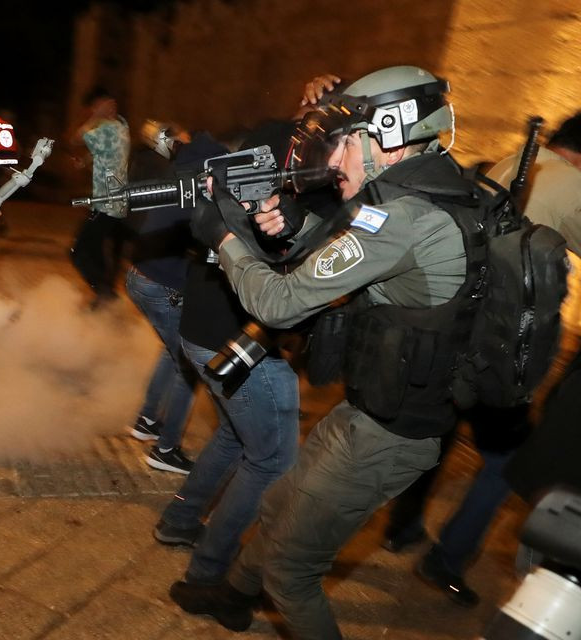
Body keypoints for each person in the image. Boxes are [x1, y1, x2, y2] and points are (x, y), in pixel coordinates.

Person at [175, 65, 471, 638]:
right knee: (280, 503)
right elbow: (364, 254)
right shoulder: (427, 189)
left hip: (394, 432)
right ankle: (235, 597)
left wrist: (224, 237)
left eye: (345, 145)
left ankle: (249, 592)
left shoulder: (407, 215)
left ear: (390, 131)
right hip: (372, 406)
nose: (333, 161)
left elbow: (282, 304)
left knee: (291, 569)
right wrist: (297, 226)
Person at [398, 112, 581, 605]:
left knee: (435, 429)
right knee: (508, 459)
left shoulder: (507, 163)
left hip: (457, 324)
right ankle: (448, 558)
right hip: (500, 345)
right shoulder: (571, 184)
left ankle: (401, 525)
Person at [153, 122, 310, 590]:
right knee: (272, 460)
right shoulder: (280, 176)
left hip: (205, 331)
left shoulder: (258, 160)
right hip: (239, 339)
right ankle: (210, 570)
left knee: (233, 436)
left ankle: (180, 522)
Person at [123, 120, 199, 474]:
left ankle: (147, 420)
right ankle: (166, 449)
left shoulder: (176, 174)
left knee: (172, 351)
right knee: (190, 363)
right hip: (159, 284)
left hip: (139, 276)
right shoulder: (194, 181)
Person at [69, 86, 131, 307]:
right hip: (114, 204)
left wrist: (96, 116)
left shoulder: (107, 128)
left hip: (107, 204)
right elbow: (104, 152)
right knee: (99, 251)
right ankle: (105, 296)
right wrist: (85, 162)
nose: (92, 111)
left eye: (95, 106)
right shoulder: (121, 126)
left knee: (78, 252)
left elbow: (76, 138)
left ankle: (105, 293)